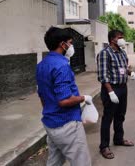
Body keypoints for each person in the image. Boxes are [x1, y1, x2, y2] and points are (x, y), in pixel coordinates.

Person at [36, 27, 92, 166]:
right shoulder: (62, 66)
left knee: (54, 161)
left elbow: (42, 95)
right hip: (66, 124)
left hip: (50, 122)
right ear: (63, 44)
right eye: (70, 42)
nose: (71, 46)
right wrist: (84, 98)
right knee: (81, 162)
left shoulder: (41, 65)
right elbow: (64, 100)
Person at [97, 30, 135, 159]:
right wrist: (111, 92)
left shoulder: (122, 53)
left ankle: (119, 139)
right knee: (108, 117)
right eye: (120, 37)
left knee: (120, 115)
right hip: (111, 89)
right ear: (112, 39)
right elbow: (103, 76)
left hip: (123, 88)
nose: (122, 39)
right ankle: (104, 146)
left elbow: (124, 68)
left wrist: (130, 72)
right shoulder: (104, 54)